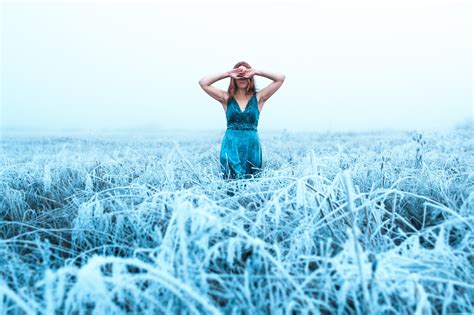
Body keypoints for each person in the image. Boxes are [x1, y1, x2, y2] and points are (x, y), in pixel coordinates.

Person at [198, 61, 285, 180]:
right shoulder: (225, 98)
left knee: (252, 181)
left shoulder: (259, 97)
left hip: (252, 147)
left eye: (246, 75)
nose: (243, 77)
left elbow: (280, 78)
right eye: (239, 75)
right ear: (233, 78)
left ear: (251, 78)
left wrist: (256, 71)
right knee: (231, 181)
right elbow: (203, 83)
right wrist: (228, 73)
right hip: (231, 146)